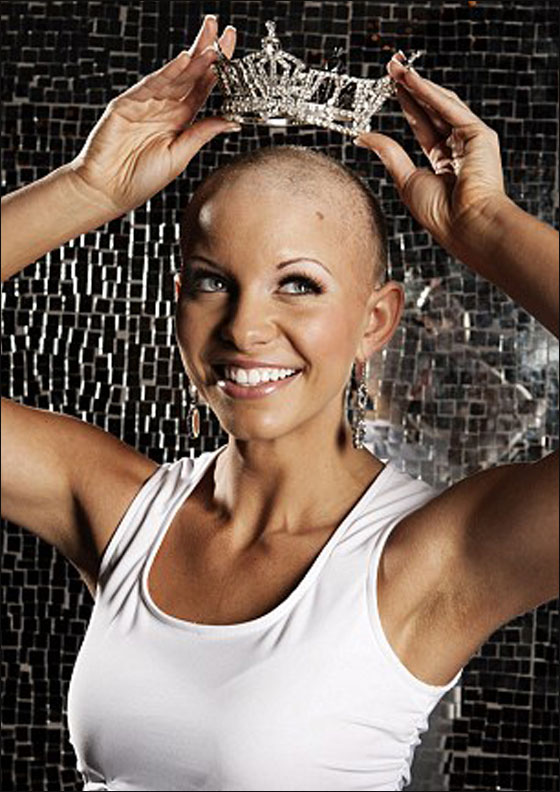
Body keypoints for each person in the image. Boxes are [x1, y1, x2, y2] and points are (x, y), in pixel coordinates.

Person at [1, 14, 558, 792]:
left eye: (298, 284)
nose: (245, 327)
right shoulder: (121, 511)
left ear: (375, 321)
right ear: (178, 303)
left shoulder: (430, 559)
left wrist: (488, 225)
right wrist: (86, 187)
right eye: (212, 281)